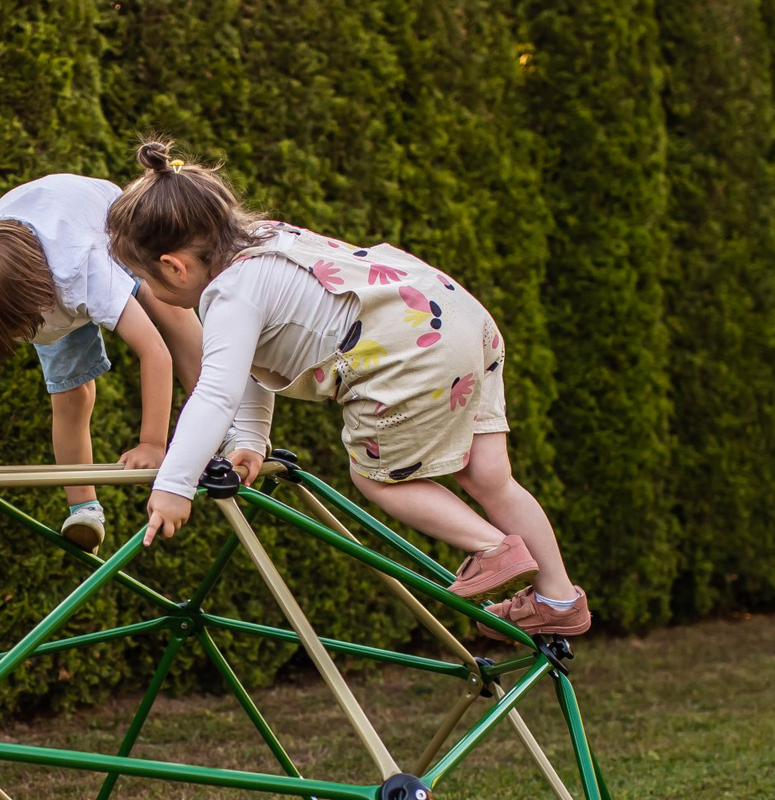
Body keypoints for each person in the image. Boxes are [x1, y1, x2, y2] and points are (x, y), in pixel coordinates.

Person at [105, 142, 589, 638]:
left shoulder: (230, 292)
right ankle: (558, 598)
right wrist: (248, 440)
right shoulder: (269, 239)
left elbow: (215, 392)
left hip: (408, 350)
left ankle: (492, 550)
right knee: (490, 478)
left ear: (173, 267)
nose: (155, 295)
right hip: (458, 319)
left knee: (375, 476)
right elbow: (247, 369)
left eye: (147, 281)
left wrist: (174, 486)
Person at [0, 172, 203, 548]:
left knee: (170, 308)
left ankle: (226, 420)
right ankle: (85, 510)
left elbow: (155, 353)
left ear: (34, 306)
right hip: (34, 261)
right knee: (73, 396)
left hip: (111, 227)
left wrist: (152, 443)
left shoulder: (84, 273)